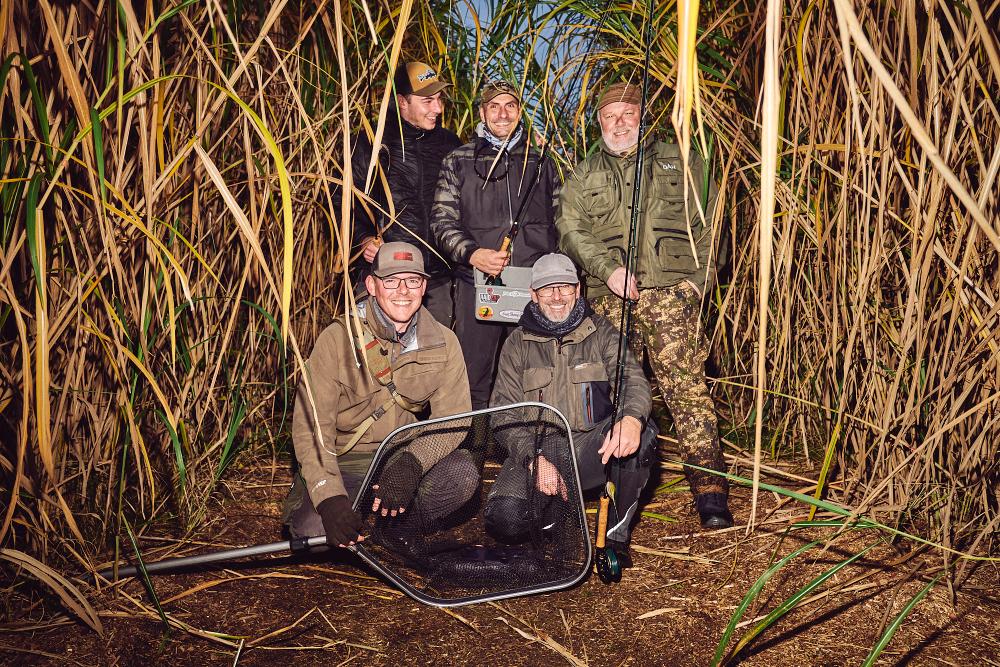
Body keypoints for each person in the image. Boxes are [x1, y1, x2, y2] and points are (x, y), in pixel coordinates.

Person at [555, 82, 733, 529]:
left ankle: (710, 493)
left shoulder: (682, 161)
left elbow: (712, 225)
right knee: (613, 395)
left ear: (642, 117)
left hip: (673, 295)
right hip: (611, 300)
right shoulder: (583, 175)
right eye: (610, 116)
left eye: (627, 114)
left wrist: (696, 285)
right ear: (599, 123)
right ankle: (614, 490)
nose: (619, 123)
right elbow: (571, 231)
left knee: (688, 391)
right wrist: (608, 271)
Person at [283, 242, 477, 549]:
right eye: (391, 281)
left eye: (412, 280)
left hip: (400, 452)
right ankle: (357, 514)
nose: (403, 291)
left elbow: (454, 421)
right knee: (314, 532)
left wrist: (413, 461)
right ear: (372, 286)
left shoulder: (443, 342)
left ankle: (398, 526)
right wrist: (330, 497)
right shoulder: (337, 339)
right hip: (347, 458)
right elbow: (311, 429)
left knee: (461, 476)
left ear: (424, 286)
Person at [486, 253, 656, 566]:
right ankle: (555, 516)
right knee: (505, 518)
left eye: (564, 287)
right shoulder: (516, 344)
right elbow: (502, 414)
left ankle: (615, 538)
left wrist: (631, 419)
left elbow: (633, 381)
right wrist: (533, 458)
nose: (557, 296)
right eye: (547, 289)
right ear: (533, 294)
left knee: (642, 435)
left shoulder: (603, 332)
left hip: (589, 448)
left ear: (577, 290)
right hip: (538, 450)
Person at [431, 80, 559, 409]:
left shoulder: (541, 159)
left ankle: (525, 440)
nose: (502, 114)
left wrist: (554, 276)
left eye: (510, 106)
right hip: (479, 285)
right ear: (482, 112)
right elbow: (441, 222)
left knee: (534, 378)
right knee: (473, 378)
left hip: (532, 288)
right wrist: (473, 254)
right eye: (494, 106)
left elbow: (563, 220)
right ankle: (474, 440)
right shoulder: (458, 160)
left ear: (519, 111)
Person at [351, 62, 462, 326]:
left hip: (437, 280)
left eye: (439, 99)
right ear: (402, 101)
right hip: (385, 276)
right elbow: (342, 200)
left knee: (435, 348)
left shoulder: (450, 144)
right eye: (427, 101)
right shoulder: (372, 140)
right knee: (378, 348)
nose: (438, 109)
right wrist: (363, 240)